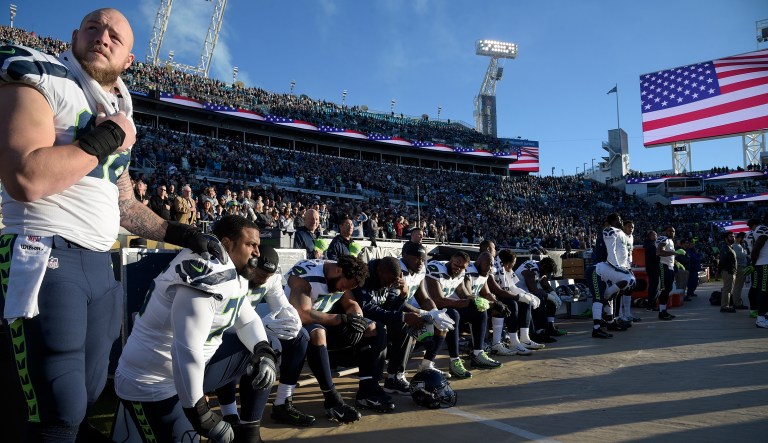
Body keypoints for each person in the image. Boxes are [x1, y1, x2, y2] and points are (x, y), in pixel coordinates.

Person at [0, 8, 221, 442]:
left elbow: (123, 203)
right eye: (93, 28)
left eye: (115, 36)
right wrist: (107, 138)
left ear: (128, 60)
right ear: (73, 36)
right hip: (43, 249)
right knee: (55, 405)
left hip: (101, 263)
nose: (103, 37)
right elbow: (26, 177)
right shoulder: (38, 74)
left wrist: (180, 233)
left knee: (87, 393)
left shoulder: (119, 102)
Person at [115, 215, 277, 442]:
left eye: (258, 246)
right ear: (227, 243)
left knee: (269, 348)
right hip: (151, 381)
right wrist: (199, 411)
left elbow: (247, 319)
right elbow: (185, 350)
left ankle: (248, 432)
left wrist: (262, 350)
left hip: (183, 371)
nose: (257, 253)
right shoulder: (209, 271)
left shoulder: (233, 269)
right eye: (251, 244)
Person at [213, 246, 316, 428]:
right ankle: (229, 413)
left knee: (301, 337)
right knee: (247, 344)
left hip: (248, 327)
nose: (263, 280)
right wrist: (261, 326)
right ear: (251, 265)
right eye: (260, 274)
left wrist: (293, 322)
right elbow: (223, 319)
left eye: (268, 276)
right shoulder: (233, 275)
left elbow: (283, 308)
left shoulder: (271, 278)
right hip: (222, 329)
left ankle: (283, 401)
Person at [284, 256, 370, 422]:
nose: (341, 290)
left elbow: (352, 304)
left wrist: (357, 318)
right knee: (317, 333)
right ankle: (332, 399)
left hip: (318, 321)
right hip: (286, 320)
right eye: (343, 286)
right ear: (338, 271)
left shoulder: (340, 275)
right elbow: (303, 314)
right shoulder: (305, 274)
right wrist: (342, 319)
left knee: (372, 328)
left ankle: (369, 388)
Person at [424, 252, 499, 378]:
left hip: (443, 309)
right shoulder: (436, 268)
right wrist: (466, 302)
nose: (457, 268)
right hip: (426, 309)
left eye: (461, 267)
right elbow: (438, 300)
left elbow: (464, 294)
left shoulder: (461, 273)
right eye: (456, 263)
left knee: (479, 309)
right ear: (451, 258)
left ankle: (478, 354)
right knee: (453, 314)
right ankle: (454, 360)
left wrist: (479, 301)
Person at [656, 226, 678, 320]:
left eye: (673, 231)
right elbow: (659, 252)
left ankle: (664, 310)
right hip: (663, 266)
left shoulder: (671, 241)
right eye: (669, 231)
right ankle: (661, 312)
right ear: (665, 231)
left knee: (668, 289)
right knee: (665, 289)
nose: (672, 233)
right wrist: (673, 253)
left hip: (670, 266)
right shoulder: (663, 238)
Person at [719, 232, 738, 313]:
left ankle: (726, 305)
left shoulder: (729, 247)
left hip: (731, 271)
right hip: (728, 271)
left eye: (733, 236)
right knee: (727, 289)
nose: (733, 238)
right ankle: (724, 306)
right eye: (731, 237)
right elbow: (722, 261)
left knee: (729, 289)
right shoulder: (725, 248)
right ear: (726, 238)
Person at [731, 232, 750, 310]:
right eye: (742, 238)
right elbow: (739, 255)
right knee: (738, 286)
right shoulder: (735, 245)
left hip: (742, 267)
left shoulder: (739, 245)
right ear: (739, 238)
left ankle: (737, 301)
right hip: (739, 267)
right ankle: (737, 303)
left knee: (739, 286)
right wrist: (747, 255)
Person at [643, 230, 660, 310]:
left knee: (652, 286)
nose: (656, 236)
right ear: (651, 236)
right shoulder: (652, 245)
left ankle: (651, 304)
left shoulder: (648, 244)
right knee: (654, 286)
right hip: (654, 268)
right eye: (655, 235)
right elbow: (655, 257)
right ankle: (652, 304)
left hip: (650, 268)